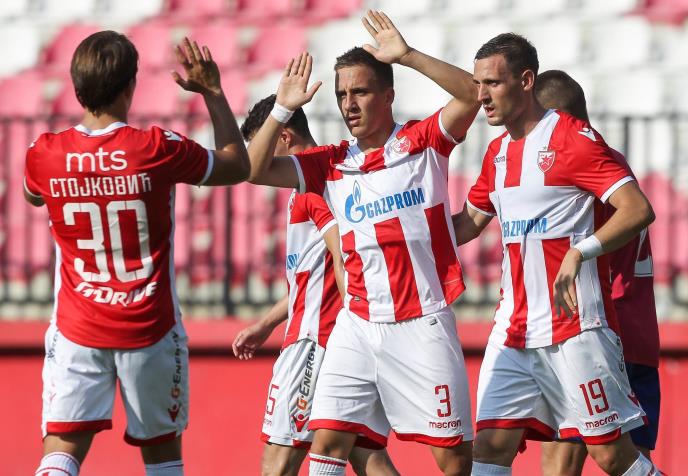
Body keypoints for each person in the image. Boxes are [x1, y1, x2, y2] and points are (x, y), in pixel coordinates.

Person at [245, 10, 481, 476]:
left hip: (421, 319)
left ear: (388, 95)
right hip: (356, 323)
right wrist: (281, 109)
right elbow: (252, 170)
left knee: (453, 460)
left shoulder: (422, 141)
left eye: (360, 92)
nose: (348, 104)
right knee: (329, 441)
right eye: (341, 95)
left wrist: (408, 56)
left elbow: (474, 93)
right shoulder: (330, 163)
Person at [24, 32, 249, 476]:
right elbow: (236, 164)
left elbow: (33, 196)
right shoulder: (155, 148)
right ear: (131, 85)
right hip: (150, 327)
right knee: (162, 457)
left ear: (76, 86)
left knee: (61, 452)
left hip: (77, 329)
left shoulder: (44, 154)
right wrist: (212, 92)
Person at [451, 33, 659, 476]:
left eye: (493, 83)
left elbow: (638, 209)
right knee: (488, 448)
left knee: (610, 457)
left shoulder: (573, 138)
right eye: (478, 84)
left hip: (575, 329)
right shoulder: (497, 152)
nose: (481, 95)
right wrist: (400, 231)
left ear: (526, 81)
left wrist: (580, 251)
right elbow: (467, 224)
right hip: (512, 331)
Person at [232, 95, 398, 476]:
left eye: (264, 143)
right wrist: (266, 324)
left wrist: (352, 320)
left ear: (284, 137)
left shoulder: (315, 180)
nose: (261, 156)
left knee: (278, 462)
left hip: (315, 341)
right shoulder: (319, 183)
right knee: (367, 456)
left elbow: (341, 256)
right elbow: (308, 280)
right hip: (342, 338)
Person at [533, 70, 661, 476]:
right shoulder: (612, 163)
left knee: (563, 459)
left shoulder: (580, 165)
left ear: (557, 119)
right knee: (632, 463)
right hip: (636, 332)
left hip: (598, 330)